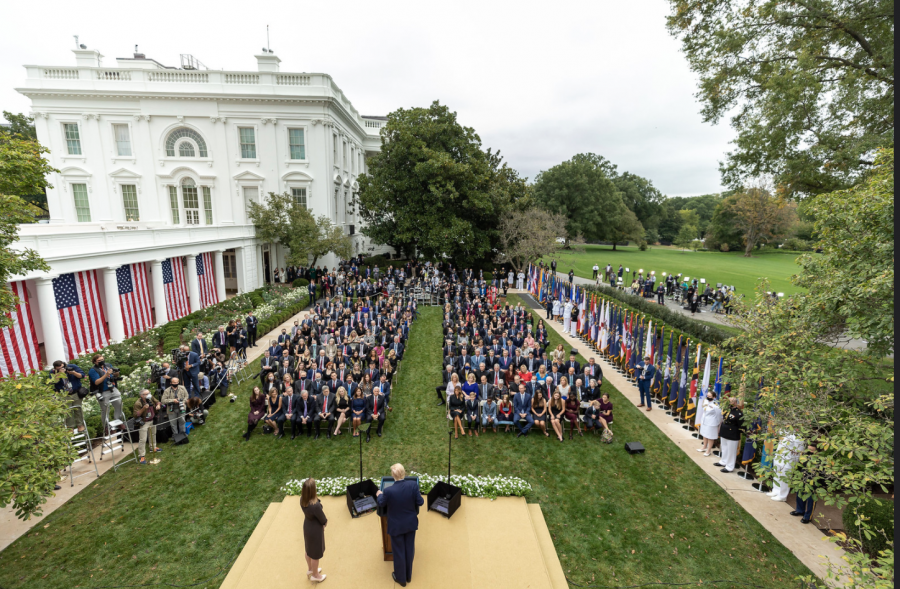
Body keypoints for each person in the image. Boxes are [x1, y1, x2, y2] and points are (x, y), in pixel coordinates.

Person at [376, 464, 424, 588]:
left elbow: (381, 502)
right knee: (409, 549)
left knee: (398, 552)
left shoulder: (388, 491)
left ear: (393, 475)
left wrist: (379, 494)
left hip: (396, 526)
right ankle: (408, 576)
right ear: (404, 473)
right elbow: (420, 502)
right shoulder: (413, 486)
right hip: (410, 524)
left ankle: (401, 579)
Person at [88, 353, 125, 435]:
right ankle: (107, 427)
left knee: (119, 404)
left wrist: (116, 373)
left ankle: (118, 422)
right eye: (99, 361)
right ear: (94, 362)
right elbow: (97, 382)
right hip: (102, 391)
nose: (102, 361)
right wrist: (106, 374)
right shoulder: (93, 370)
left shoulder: (107, 365)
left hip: (112, 388)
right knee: (105, 410)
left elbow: (114, 376)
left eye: (102, 360)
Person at [301, 478, 328, 584]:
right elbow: (323, 519)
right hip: (315, 530)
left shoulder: (302, 499)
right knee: (315, 554)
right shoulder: (315, 505)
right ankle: (316, 575)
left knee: (308, 550)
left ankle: (311, 569)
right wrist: (325, 523)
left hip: (307, 526)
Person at [133, 389, 161, 465]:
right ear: (142, 396)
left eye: (149, 393)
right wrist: (144, 408)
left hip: (152, 419)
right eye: (147, 394)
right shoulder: (138, 403)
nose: (149, 394)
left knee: (153, 434)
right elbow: (136, 415)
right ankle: (141, 455)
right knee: (143, 439)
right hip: (144, 422)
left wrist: (158, 405)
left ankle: (153, 447)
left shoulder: (151, 397)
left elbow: (157, 401)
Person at [716, 400, 744, 473]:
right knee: (724, 448)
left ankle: (729, 467)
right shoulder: (726, 410)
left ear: (735, 403)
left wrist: (737, 432)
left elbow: (741, 426)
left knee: (731, 451)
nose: (729, 403)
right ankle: (723, 461)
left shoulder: (738, 413)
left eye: (731, 401)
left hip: (732, 433)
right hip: (724, 431)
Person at [697, 390, 723, 456]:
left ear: (714, 397)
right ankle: (704, 447)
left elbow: (719, 415)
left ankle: (708, 450)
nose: (708, 397)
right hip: (704, 421)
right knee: (704, 434)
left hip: (712, 423)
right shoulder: (705, 401)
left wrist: (717, 423)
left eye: (710, 396)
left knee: (710, 437)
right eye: (707, 396)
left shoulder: (715, 405)